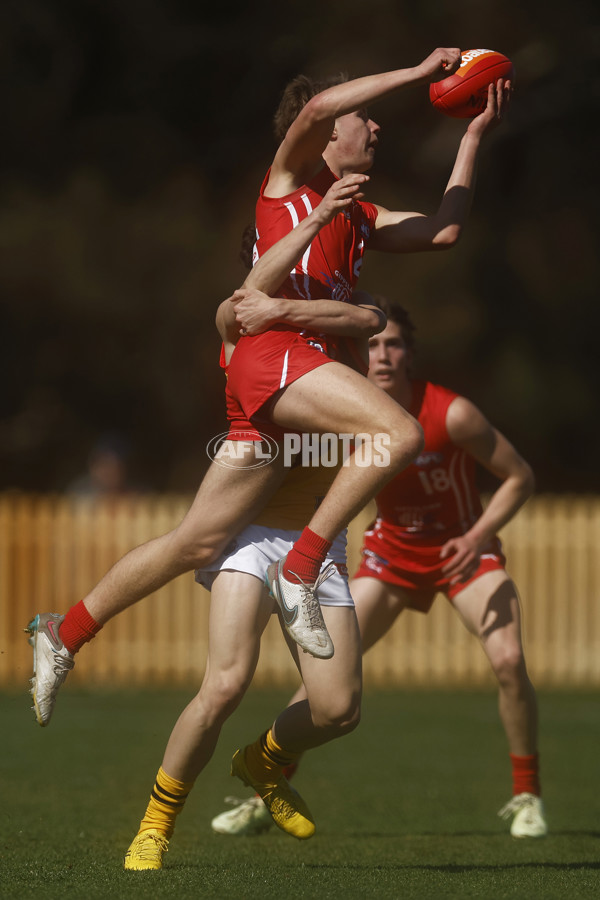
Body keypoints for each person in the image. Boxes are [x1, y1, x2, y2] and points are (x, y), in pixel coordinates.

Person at [26, 48, 509, 724]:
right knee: (397, 431)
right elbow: (315, 108)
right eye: (363, 118)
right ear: (329, 130)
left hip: (297, 386)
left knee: (194, 541)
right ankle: (302, 566)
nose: (376, 128)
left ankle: (64, 632)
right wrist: (420, 74)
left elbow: (447, 229)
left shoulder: (360, 217)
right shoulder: (289, 182)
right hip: (277, 359)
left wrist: (473, 136)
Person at [210, 298, 548, 840]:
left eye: (394, 344)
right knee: (324, 671)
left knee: (509, 660)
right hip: (391, 555)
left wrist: (476, 536)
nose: (383, 354)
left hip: (463, 553)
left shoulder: (450, 414)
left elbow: (520, 477)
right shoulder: (341, 414)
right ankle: (265, 787)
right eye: (373, 344)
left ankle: (527, 794)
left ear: (410, 356)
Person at [122, 272, 382, 872]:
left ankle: (262, 761)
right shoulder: (253, 336)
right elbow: (233, 310)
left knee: (337, 710)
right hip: (253, 537)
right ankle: (155, 826)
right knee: (225, 684)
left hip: (318, 547)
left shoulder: (345, 363)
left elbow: (368, 318)